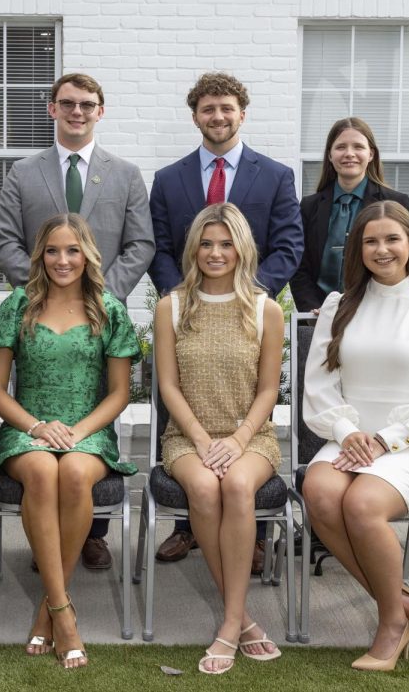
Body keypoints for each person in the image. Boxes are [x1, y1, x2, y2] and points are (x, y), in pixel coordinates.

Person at [0, 71, 154, 571]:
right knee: (43, 437)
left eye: (87, 104)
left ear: (100, 111)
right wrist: (46, 287)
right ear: (51, 109)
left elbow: (140, 244)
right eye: (67, 103)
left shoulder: (125, 174)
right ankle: (52, 544)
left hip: (98, 316)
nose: (77, 112)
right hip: (40, 322)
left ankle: (90, 535)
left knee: (94, 420)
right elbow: (5, 243)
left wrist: (98, 293)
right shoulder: (22, 172)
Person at [148, 72, 303, 568]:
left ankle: (250, 536)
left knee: (239, 406)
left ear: (242, 113)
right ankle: (186, 527)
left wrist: (244, 296)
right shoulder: (169, 179)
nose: (218, 116)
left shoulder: (275, 175)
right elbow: (160, 247)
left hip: (245, 313)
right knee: (185, 400)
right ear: (195, 116)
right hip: (190, 311)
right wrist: (186, 294)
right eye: (208, 109)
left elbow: (289, 245)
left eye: (227, 108)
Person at [301, 200, 409, 672]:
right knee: (320, 492)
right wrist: (349, 432)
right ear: (358, 248)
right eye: (371, 240)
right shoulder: (339, 306)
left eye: (392, 238)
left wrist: (384, 439)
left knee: (362, 505)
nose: (382, 248)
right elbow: (320, 386)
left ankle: (392, 622)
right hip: (349, 437)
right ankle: (404, 602)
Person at [0, 214, 140, 669]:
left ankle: (47, 606)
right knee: (41, 469)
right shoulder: (19, 303)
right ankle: (63, 614)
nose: (62, 260)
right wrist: (36, 427)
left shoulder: (109, 308)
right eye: (53, 250)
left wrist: (79, 432)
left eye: (72, 250)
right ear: (40, 256)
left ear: (87, 254)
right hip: (26, 428)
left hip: (86, 431)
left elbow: (119, 393)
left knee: (71, 471)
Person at [154, 203, 285, 674]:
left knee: (235, 485)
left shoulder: (265, 309)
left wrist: (238, 439)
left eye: (226, 243)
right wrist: (202, 439)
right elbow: (167, 386)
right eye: (206, 243)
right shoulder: (170, 306)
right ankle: (242, 619)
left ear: (241, 249)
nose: (215, 252)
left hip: (252, 437)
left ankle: (228, 624)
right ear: (193, 248)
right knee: (205, 487)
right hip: (187, 437)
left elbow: (269, 389)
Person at [290, 117, 409, 313]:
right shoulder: (309, 206)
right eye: (340, 147)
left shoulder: (395, 202)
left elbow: (402, 262)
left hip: (376, 312)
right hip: (318, 316)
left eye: (358, 147)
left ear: (371, 154)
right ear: (330, 155)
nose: (349, 154)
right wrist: (314, 308)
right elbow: (299, 267)